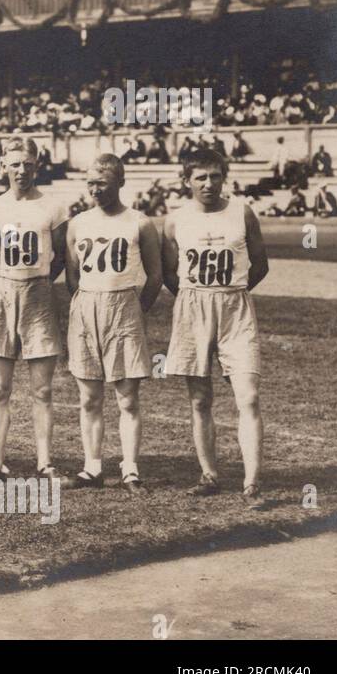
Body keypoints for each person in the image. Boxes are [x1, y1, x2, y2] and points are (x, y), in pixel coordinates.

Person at [162, 148, 269, 506]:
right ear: (187, 181)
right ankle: (209, 474)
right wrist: (197, 298)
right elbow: (168, 273)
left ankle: (252, 480)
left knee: (248, 395)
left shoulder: (242, 212)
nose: (209, 184)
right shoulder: (176, 221)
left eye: (215, 176)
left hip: (235, 307)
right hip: (192, 307)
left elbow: (260, 265)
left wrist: (230, 293)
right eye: (201, 177)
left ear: (224, 177)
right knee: (199, 398)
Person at [63, 155, 163, 496]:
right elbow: (72, 276)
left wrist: (136, 311)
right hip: (86, 306)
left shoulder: (139, 222)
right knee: (89, 397)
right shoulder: (78, 223)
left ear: (119, 182)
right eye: (90, 183)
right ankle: (92, 468)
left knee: (127, 398)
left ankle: (130, 469)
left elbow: (155, 276)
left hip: (124, 306)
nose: (94, 190)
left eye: (101, 183)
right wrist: (84, 305)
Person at [0, 137, 69, 481]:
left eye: (28, 164)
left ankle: (45, 462)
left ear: (37, 167)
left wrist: (39, 281)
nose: (21, 170)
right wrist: (4, 281)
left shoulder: (52, 208)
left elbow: (60, 255)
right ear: (4, 166)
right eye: (15, 164)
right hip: (0, 294)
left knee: (42, 389)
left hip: (38, 296)